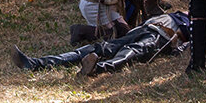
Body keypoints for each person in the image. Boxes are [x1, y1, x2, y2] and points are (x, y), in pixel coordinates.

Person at [13, 11, 191, 78]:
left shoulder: (196, 22)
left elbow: (185, 40)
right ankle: (36, 63)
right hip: (143, 29)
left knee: (131, 51)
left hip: (160, 38)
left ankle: (97, 69)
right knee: (99, 47)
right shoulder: (180, 13)